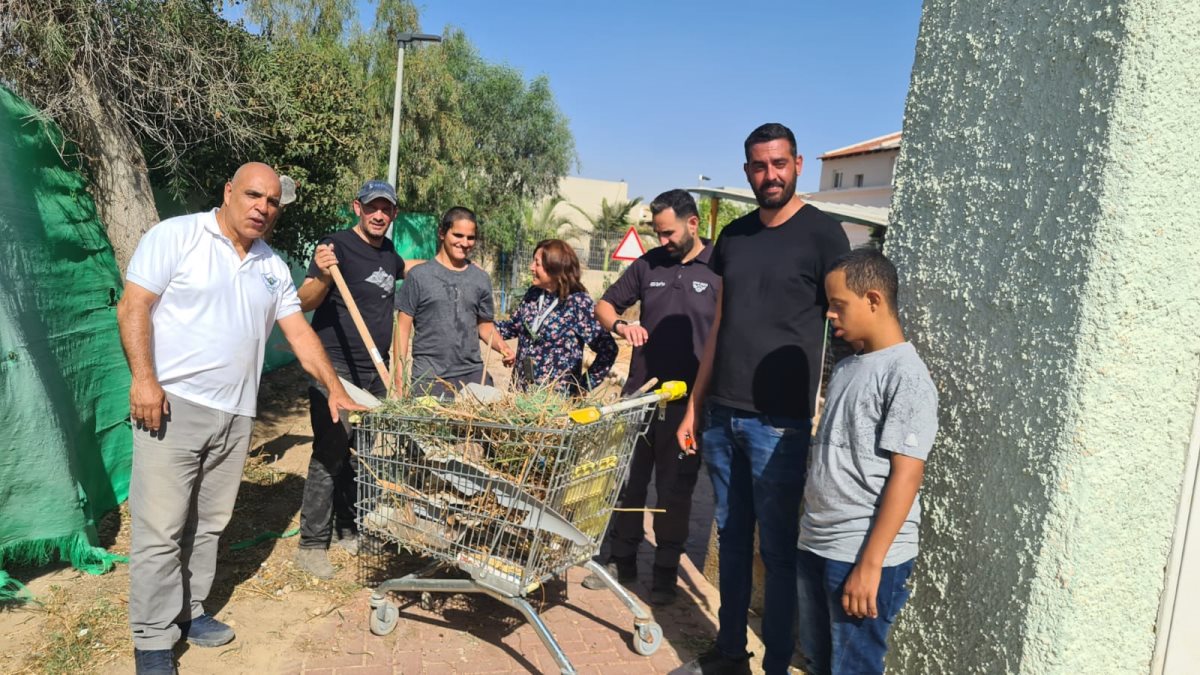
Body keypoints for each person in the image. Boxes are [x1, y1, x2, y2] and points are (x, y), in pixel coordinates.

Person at [117, 163, 363, 675]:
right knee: (161, 529)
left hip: (236, 413)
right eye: (253, 195)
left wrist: (335, 388)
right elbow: (133, 307)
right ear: (228, 192)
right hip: (173, 405)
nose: (262, 208)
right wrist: (144, 380)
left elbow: (299, 333)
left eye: (272, 202)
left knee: (209, 524)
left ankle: (190, 611)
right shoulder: (177, 236)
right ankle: (153, 641)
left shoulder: (272, 265)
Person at [677, 123, 851, 675]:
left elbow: (843, 327)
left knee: (776, 552)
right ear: (747, 170)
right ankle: (730, 653)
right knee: (731, 540)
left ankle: (776, 664)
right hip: (722, 416)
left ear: (797, 164)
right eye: (759, 166)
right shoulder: (734, 236)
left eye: (778, 164)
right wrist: (695, 405)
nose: (769, 175)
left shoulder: (825, 235)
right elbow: (720, 325)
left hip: (780, 424)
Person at [795, 249, 938, 675]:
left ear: (873, 300)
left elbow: (907, 474)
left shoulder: (906, 375)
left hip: (861, 553)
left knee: (853, 667)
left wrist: (870, 564)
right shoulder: (847, 367)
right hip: (818, 540)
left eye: (838, 304)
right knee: (820, 661)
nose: (829, 314)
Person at [584, 189, 719, 605]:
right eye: (658, 233)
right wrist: (621, 326)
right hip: (639, 398)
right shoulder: (648, 264)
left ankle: (665, 571)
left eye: (668, 232)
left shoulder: (720, 267)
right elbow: (604, 306)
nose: (663, 241)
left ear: (693, 223)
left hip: (687, 406)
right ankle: (620, 559)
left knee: (675, 492)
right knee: (627, 484)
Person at [294, 179, 417, 579]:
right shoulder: (336, 246)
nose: (379, 214)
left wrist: (450, 263)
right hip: (335, 368)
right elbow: (304, 301)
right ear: (357, 208)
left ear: (394, 213)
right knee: (331, 450)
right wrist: (324, 275)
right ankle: (312, 544)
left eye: (386, 208)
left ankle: (348, 528)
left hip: (373, 371)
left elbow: (409, 269)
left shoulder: (390, 254)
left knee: (360, 453)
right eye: (371, 207)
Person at [394, 206, 513, 398]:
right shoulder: (419, 276)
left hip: (473, 375)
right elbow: (402, 329)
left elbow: (485, 327)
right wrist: (399, 380)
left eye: (470, 237)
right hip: (430, 378)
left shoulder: (480, 278)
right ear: (442, 233)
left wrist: (503, 347)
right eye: (458, 235)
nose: (464, 243)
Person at [493, 239, 616, 394]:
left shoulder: (578, 303)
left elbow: (608, 349)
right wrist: (479, 323)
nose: (531, 267)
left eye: (537, 263)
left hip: (555, 401)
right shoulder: (534, 293)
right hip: (521, 394)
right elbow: (514, 327)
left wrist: (582, 387)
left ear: (554, 267)